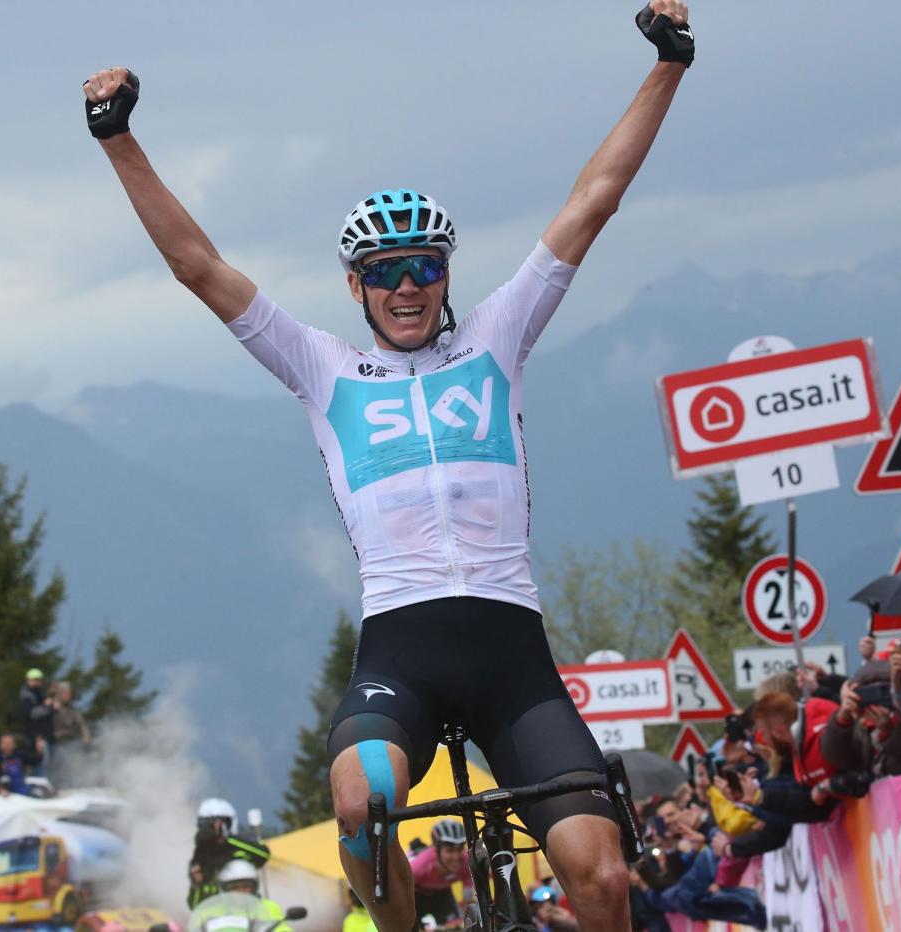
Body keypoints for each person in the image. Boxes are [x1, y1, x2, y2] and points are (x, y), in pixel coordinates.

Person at [84, 5, 693, 929]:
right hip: (399, 652)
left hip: (510, 655)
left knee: (603, 879)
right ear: (355, 284)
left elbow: (593, 200)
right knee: (365, 802)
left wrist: (669, 64)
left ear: (446, 274)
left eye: (423, 265)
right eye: (385, 270)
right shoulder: (322, 367)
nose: (407, 284)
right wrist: (118, 136)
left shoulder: (497, 338)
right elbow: (198, 266)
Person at [187, 798, 271, 908]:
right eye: (205, 824)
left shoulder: (241, 846)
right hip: (217, 919)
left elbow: (264, 854)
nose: (211, 830)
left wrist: (226, 838)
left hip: (249, 912)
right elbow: (195, 907)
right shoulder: (201, 857)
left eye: (217, 823)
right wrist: (197, 883)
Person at [187, 860, 288, 932]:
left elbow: (280, 927)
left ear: (254, 887)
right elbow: (197, 927)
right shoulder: (211, 910)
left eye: (246, 886)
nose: (240, 892)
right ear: (224, 889)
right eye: (235, 888)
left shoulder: (267, 907)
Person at [410, 820, 473, 926]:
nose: (457, 856)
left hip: (442, 893)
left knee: (455, 926)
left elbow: (467, 900)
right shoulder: (419, 867)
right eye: (450, 850)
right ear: (436, 850)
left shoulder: (466, 862)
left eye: (460, 849)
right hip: (415, 895)